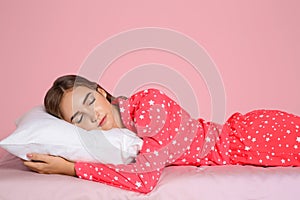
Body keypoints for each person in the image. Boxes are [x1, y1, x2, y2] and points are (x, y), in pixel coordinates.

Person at [24, 74, 300, 193]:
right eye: (79, 118)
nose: (93, 115)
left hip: (249, 139)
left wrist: (70, 169)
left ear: (100, 92)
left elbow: (144, 180)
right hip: (245, 141)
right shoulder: (117, 137)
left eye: (89, 101)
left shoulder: (149, 105)